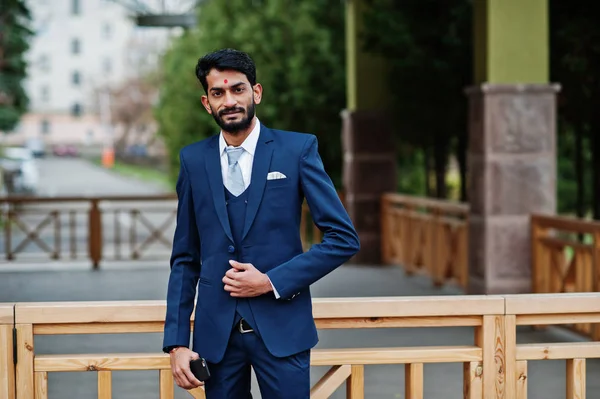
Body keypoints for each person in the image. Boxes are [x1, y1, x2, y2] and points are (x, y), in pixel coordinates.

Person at [162, 48, 360, 399]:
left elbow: (343, 238)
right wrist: (177, 341)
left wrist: (271, 281)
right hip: (215, 338)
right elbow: (185, 257)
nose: (229, 100)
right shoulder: (193, 160)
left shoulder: (296, 150)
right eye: (218, 93)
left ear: (256, 92)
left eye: (237, 89)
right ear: (207, 103)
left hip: (283, 329)